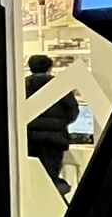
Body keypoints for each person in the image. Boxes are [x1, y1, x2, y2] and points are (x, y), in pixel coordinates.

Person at [26, 53, 79, 197]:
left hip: (30, 139)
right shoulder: (59, 86)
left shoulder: (23, 86)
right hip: (54, 141)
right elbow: (73, 111)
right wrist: (60, 124)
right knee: (51, 177)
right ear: (50, 67)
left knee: (32, 178)